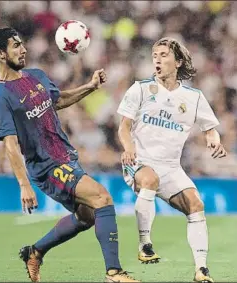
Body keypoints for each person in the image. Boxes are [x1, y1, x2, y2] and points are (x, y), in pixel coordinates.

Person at [0, 27, 139, 283]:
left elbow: (57, 100)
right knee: (102, 198)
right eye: (16, 46)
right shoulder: (0, 95)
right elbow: (10, 143)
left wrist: (90, 87)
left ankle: (35, 252)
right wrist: (24, 185)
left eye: (22, 44)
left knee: (87, 216)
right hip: (46, 166)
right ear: (0, 53)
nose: (24, 49)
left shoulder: (36, 76)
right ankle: (114, 273)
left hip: (65, 156)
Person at [117, 37, 227, 283]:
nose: (157, 58)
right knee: (150, 179)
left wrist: (214, 139)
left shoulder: (193, 97)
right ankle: (145, 244)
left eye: (164, 54)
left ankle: (201, 270)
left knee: (196, 205)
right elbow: (123, 127)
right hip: (139, 160)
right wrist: (128, 147)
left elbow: (210, 128)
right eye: (155, 54)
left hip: (171, 167)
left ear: (177, 62)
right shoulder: (141, 89)